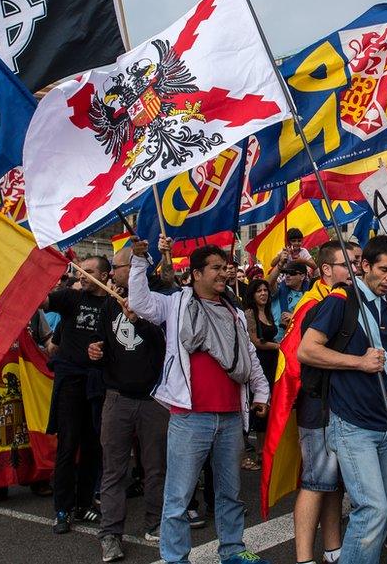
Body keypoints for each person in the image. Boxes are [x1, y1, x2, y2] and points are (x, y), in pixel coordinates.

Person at [128, 238, 271, 564]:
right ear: (196, 274)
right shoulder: (175, 304)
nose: (224, 273)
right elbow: (139, 302)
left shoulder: (233, 311)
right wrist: (139, 262)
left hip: (232, 418)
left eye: (225, 268)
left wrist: (261, 393)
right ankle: (175, 558)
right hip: (190, 418)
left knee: (230, 493)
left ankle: (233, 550)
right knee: (178, 495)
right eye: (216, 268)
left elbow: (248, 357)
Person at [298, 235, 387, 564]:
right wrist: (358, 362)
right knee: (372, 509)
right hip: (350, 423)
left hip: (386, 422)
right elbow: (307, 350)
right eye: (383, 269)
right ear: (365, 266)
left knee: (380, 514)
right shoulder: (341, 300)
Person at [88, 247, 168, 562]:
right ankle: (110, 534)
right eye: (126, 265)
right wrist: (95, 352)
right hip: (117, 399)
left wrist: (143, 322)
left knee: (155, 467)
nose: (125, 270)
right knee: (114, 471)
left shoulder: (158, 300)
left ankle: (157, 523)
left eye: (134, 264)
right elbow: (101, 345)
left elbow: (167, 344)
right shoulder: (109, 304)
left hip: (153, 400)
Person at [285, 241, 352, 564]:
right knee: (315, 481)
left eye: (358, 262)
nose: (355, 269)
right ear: (326, 270)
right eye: (347, 263)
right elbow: (300, 356)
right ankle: (303, 558)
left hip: (338, 404)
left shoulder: (338, 299)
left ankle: (333, 549)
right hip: (317, 404)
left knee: (333, 483)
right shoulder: (314, 304)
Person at [43, 256, 111, 534]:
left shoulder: (112, 303)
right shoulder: (71, 299)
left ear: (105, 275)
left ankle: (84, 504)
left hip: (98, 384)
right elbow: (44, 302)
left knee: (94, 446)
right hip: (70, 382)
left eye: (90, 272)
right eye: (81, 271)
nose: (83, 276)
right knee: (68, 445)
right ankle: (63, 508)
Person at [243, 278, 281, 470]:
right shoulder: (249, 313)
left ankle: (267, 448)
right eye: (259, 291)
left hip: (272, 362)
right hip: (259, 362)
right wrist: (278, 346)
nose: (264, 294)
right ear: (252, 294)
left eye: (265, 290)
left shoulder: (268, 312)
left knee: (271, 403)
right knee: (260, 404)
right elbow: (255, 341)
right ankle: (259, 451)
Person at [268, 261, 309, 338]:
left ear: (302, 276)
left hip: (294, 343)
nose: (287, 276)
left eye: (292, 273)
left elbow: (311, 319)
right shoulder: (279, 290)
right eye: (286, 273)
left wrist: (294, 317)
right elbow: (270, 284)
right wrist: (280, 264)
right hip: (274, 342)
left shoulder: (309, 296)